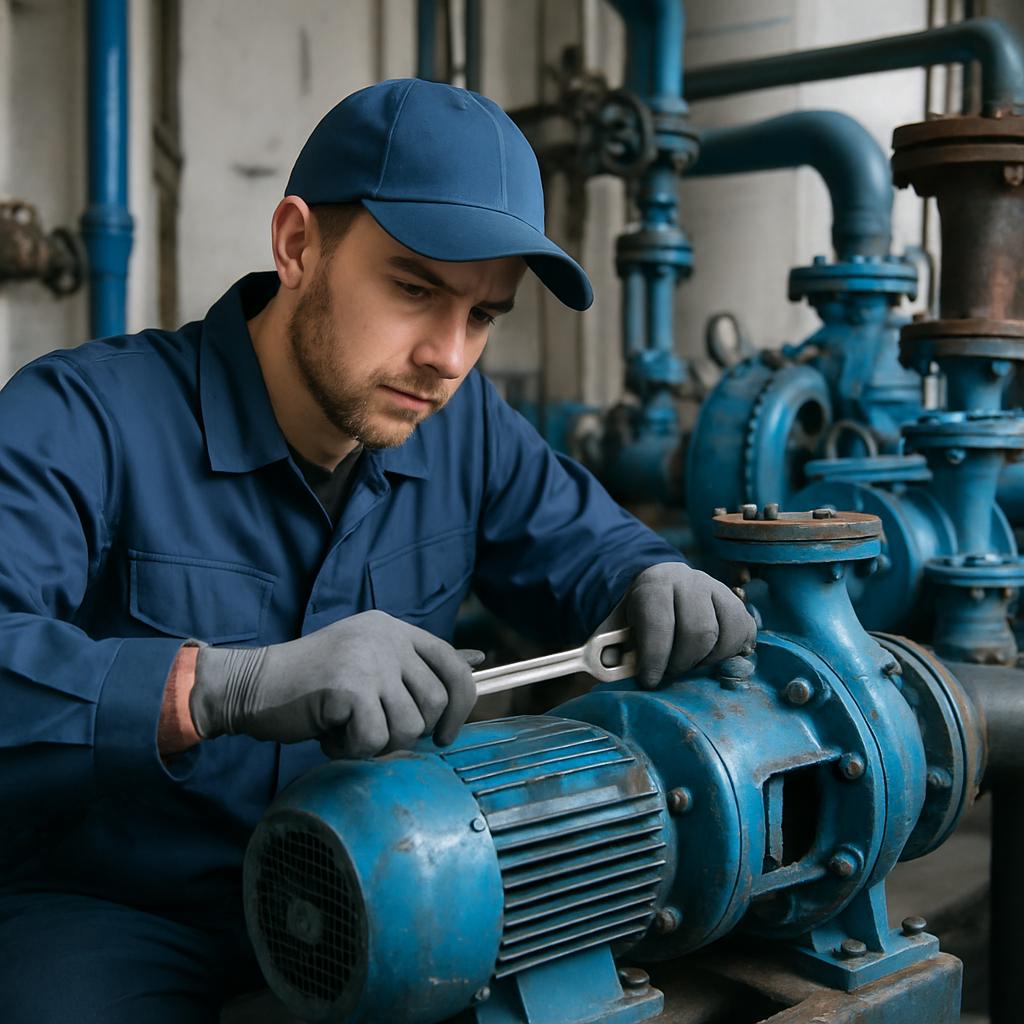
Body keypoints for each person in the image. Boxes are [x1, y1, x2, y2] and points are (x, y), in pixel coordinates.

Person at [0, 78, 754, 1021]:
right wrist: (226, 687)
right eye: (413, 288)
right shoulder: (81, 419)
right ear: (297, 244)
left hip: (382, 885)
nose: (447, 355)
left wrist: (656, 578)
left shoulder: (464, 426)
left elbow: (587, 546)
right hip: (114, 909)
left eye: (483, 315)